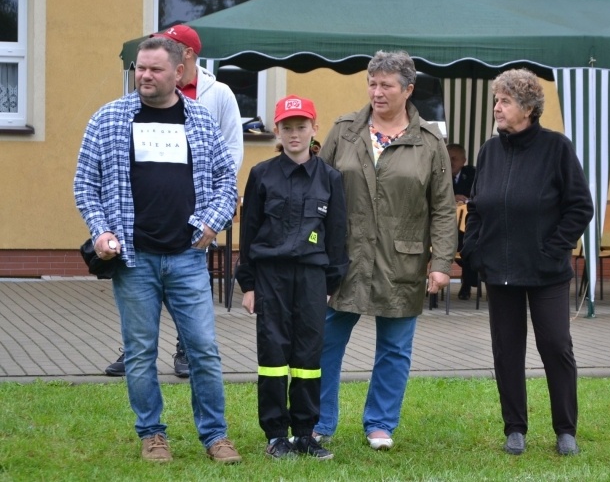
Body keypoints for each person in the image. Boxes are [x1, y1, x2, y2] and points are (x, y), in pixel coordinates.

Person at [74, 36, 241, 463]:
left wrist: (211, 222)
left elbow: (227, 182)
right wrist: (100, 232)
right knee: (140, 350)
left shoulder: (201, 121)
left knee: (203, 348)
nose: (145, 76)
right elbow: (85, 185)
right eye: (140, 69)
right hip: (134, 259)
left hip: (187, 257)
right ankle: (152, 435)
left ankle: (215, 436)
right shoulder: (108, 119)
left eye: (154, 69)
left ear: (178, 73)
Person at [312, 50, 457, 451]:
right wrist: (314, 254)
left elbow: (444, 208)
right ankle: (319, 421)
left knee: (394, 348)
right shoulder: (343, 131)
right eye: (372, 84)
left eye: (386, 85)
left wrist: (441, 262)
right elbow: (315, 191)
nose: (377, 92)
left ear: (408, 90)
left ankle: (380, 423)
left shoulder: (429, 141)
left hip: (402, 259)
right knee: (325, 341)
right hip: (344, 258)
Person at [461, 68, 593, 457]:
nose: (497, 109)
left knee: (555, 345)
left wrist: (553, 248)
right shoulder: (489, 151)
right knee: (507, 349)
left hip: (546, 271)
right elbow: (478, 205)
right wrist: (475, 249)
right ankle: (515, 428)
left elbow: (579, 206)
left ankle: (565, 429)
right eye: (496, 101)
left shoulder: (557, 148)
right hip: (500, 271)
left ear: (528, 108)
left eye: (504, 101)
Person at [104, 24, 244, 378]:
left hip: (192, 228)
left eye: (167, 52)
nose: (147, 72)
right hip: (141, 237)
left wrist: (214, 214)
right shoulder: (138, 97)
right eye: (142, 66)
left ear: (186, 59)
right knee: (140, 335)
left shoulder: (217, 96)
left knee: (199, 333)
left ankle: (184, 348)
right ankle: (134, 349)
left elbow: (229, 157)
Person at [235, 95, 348, 461]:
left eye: (302, 126)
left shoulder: (330, 178)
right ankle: (275, 435)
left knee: (308, 356)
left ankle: (305, 433)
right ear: (277, 131)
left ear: (314, 128)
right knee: (273, 354)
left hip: (313, 278)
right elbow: (249, 231)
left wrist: (331, 284)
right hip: (271, 277)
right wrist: (248, 284)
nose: (295, 134)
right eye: (287, 127)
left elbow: (337, 234)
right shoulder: (262, 175)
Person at [447, 143, 478, 300]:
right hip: (442, 229)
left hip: (464, 228)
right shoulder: (438, 173)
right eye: (448, 158)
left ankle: (467, 285)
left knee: (469, 245)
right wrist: (451, 198)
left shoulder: (472, 174)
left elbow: (479, 196)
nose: (451, 162)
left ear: (463, 160)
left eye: (454, 158)